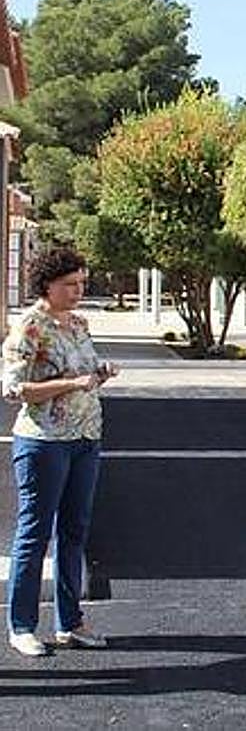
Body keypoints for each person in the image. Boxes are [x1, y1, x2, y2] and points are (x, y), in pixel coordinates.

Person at [2, 247, 118, 656]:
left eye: (82, 283)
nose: (77, 291)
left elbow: (85, 374)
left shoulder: (79, 324)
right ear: (47, 285)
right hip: (44, 443)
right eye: (70, 284)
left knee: (74, 532)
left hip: (85, 438)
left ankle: (71, 622)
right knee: (34, 534)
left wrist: (98, 376)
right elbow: (14, 389)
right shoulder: (30, 327)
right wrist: (72, 383)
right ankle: (21, 626)